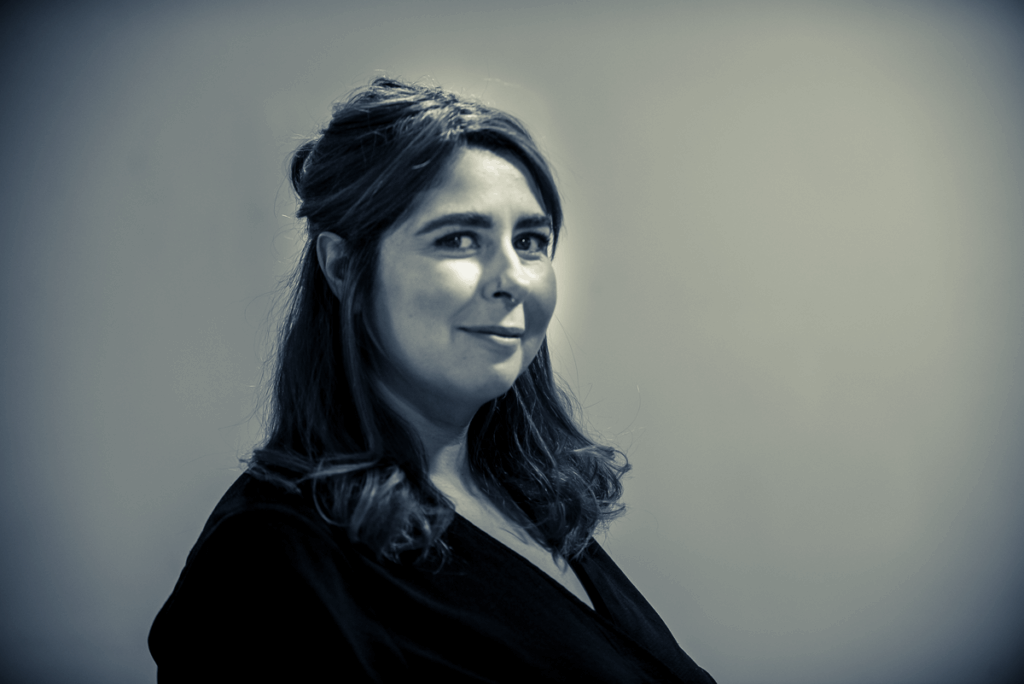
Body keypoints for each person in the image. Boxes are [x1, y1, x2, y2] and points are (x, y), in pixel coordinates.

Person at [149, 77, 715, 683]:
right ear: (344, 267)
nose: (513, 279)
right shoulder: (267, 562)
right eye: (458, 239)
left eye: (530, 241)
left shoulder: (523, 498)